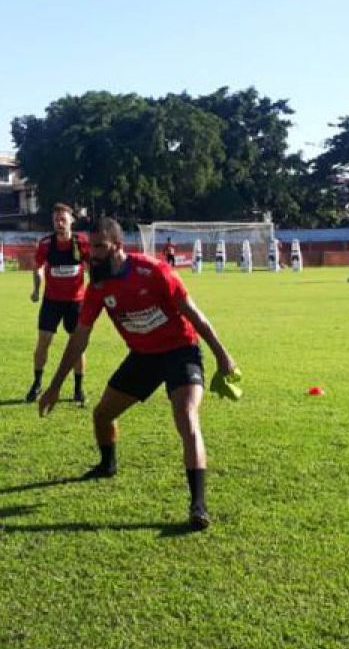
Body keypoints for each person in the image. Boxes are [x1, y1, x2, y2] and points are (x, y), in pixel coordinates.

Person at [38, 217, 239, 531]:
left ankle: (198, 505)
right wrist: (54, 387)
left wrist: (223, 357)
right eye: (92, 248)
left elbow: (194, 315)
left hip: (179, 351)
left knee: (186, 417)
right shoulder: (98, 287)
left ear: (118, 246)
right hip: (143, 357)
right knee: (102, 415)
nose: (94, 255)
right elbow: (80, 338)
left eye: (101, 247)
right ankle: (107, 465)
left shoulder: (155, 271)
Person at [27, 203, 89, 404]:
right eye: (56, 220)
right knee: (43, 342)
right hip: (51, 301)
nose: (59, 223)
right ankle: (37, 384)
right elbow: (37, 268)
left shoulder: (81, 243)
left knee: (77, 346)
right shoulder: (45, 244)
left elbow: (91, 267)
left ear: (71, 220)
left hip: (76, 302)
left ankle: (78, 390)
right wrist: (36, 290)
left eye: (63, 219)